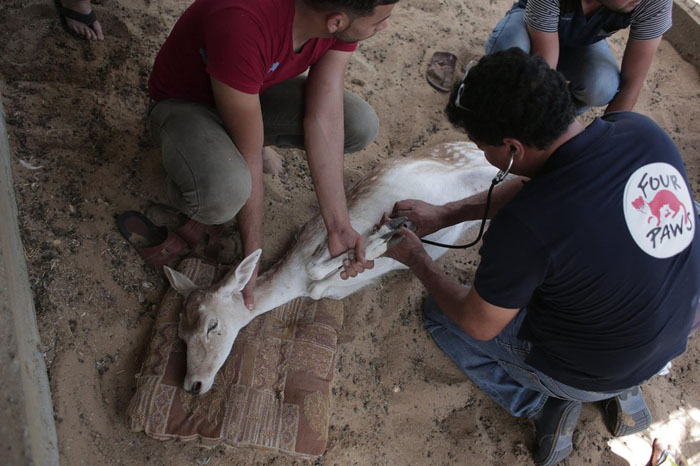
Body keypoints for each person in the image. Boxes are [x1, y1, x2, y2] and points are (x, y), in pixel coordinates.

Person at [384, 48, 700, 466]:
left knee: (442, 316)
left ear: (512, 147)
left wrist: (418, 260)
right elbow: (543, 180)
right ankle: (624, 390)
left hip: (595, 369)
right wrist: (446, 213)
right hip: (674, 331)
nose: (483, 154)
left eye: (482, 147)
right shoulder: (639, 131)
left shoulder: (526, 227)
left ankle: (540, 403)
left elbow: (478, 323)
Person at [147, 0, 398, 308]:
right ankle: (192, 173)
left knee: (358, 124)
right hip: (187, 102)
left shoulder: (337, 13)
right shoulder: (244, 21)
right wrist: (251, 255)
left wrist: (339, 227)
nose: (384, 25)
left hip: (253, 88)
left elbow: (325, 116)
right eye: (379, 21)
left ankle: (234, 139)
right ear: (336, 22)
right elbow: (249, 153)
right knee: (223, 194)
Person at [484, 0, 672, 114]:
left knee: (603, 86)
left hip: (582, 41)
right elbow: (544, 71)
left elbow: (632, 84)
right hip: (532, 29)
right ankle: (482, 87)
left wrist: (605, 143)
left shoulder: (654, 2)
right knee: (512, 53)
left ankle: (562, 117)